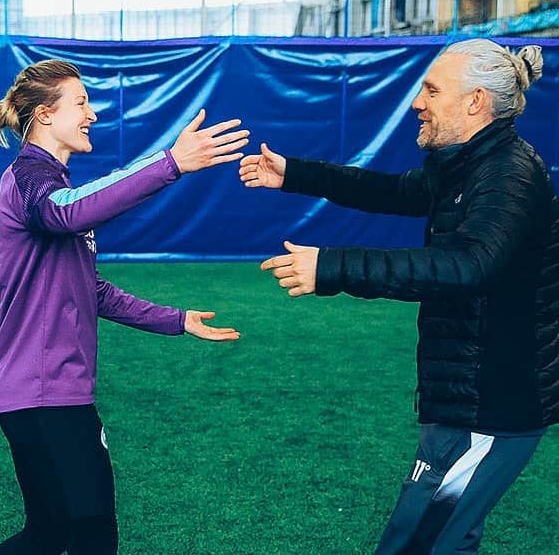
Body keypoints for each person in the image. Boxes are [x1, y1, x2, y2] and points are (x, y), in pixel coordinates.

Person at [239, 38, 559, 554]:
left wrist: (331, 266)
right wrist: (294, 174)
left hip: (492, 407)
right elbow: (395, 192)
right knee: (442, 541)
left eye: (432, 90)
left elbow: (468, 265)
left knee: (417, 543)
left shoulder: (508, 175)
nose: (417, 102)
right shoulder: (467, 164)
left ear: (475, 101)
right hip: (462, 398)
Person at [0, 58, 248, 555]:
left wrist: (177, 319)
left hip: (41, 393)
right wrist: (170, 163)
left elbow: (91, 290)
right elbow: (65, 211)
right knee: (91, 535)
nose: (93, 115)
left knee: (50, 534)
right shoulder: (30, 179)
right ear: (44, 115)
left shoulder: (51, 184)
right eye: (81, 103)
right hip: (45, 395)